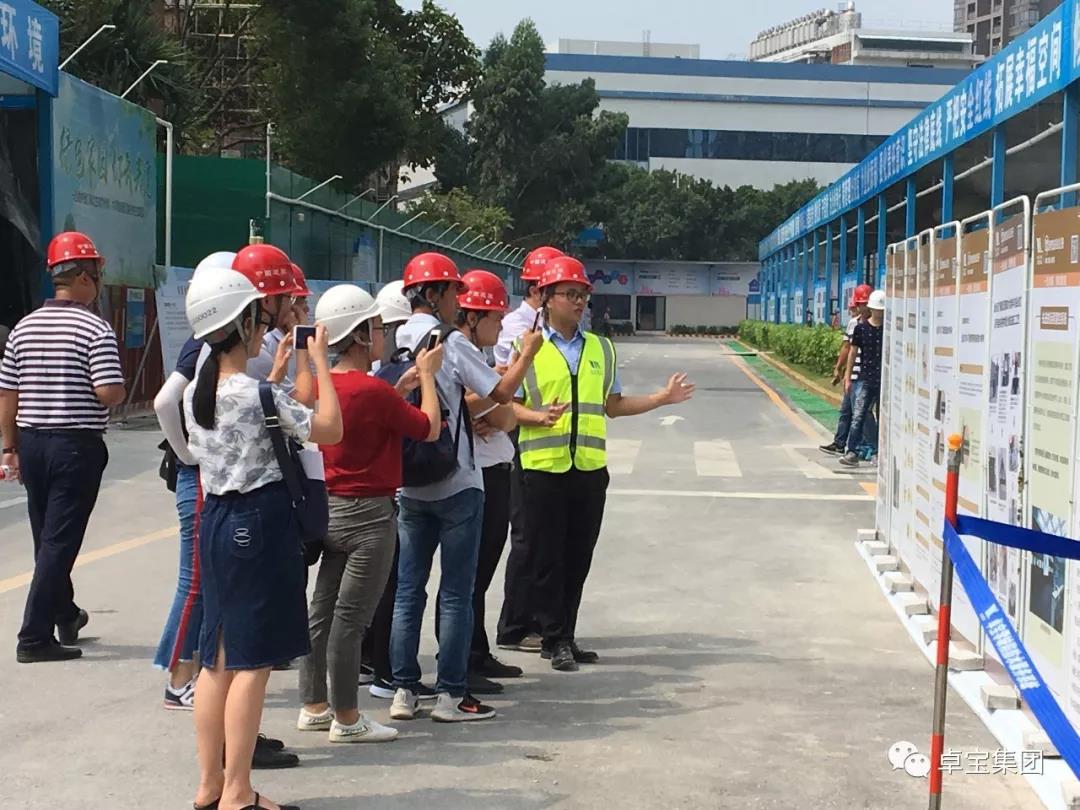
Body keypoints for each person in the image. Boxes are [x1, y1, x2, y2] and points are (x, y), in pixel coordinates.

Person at [183, 266, 342, 810]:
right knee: (252, 664)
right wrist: (319, 360)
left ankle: (210, 786)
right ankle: (238, 791)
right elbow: (330, 429)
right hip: (259, 522)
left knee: (216, 660)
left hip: (217, 521)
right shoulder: (254, 394)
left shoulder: (199, 394)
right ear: (245, 322)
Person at [515, 256, 694, 671]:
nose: (579, 302)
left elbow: (612, 405)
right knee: (548, 558)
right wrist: (538, 418)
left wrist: (660, 399)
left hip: (589, 469)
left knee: (579, 556)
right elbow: (508, 405)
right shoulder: (526, 346)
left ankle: (567, 635)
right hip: (542, 467)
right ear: (546, 298)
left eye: (583, 295)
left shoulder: (601, 348)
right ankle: (552, 637)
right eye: (570, 294)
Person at [389, 251, 542, 724]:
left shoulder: (397, 337)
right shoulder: (450, 341)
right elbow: (499, 395)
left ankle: (403, 690)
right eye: (454, 291)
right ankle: (452, 695)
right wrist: (526, 357)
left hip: (410, 483)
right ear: (434, 295)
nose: (460, 299)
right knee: (455, 592)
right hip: (457, 482)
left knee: (408, 591)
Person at [297, 284, 443, 744]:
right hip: (371, 516)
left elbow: (364, 404)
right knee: (352, 620)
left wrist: (398, 387)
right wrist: (430, 376)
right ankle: (347, 717)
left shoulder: (327, 386)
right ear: (361, 336)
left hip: (330, 510)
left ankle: (314, 705)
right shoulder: (373, 392)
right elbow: (429, 427)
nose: (383, 334)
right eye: (378, 327)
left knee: (321, 611)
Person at [1, 232, 125, 663]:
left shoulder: (25, 326)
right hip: (76, 446)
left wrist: (9, 448)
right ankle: (33, 637)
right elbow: (108, 391)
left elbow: (7, 395)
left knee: (46, 535)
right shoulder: (95, 327)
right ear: (88, 276)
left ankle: (65, 613)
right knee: (60, 542)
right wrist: (115, 391)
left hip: (32, 444)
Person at [439, 270, 530, 693]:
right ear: (471, 317)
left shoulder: (479, 358)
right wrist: (487, 402)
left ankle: (475, 649)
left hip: (494, 469)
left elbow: (506, 415)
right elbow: (497, 401)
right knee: (467, 578)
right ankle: (460, 659)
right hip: (477, 475)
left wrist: (489, 406)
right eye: (494, 317)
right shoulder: (461, 354)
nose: (501, 326)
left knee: (480, 574)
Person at [152, 250, 235, 710]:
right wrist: (191, 458)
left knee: (202, 578)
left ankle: (190, 668)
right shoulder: (204, 344)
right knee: (196, 580)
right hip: (197, 478)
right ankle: (179, 676)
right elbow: (166, 402)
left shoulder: (204, 340)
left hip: (197, 474)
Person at [363, 278, 439, 701]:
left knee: (381, 588)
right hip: (387, 496)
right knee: (395, 586)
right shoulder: (388, 382)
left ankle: (375, 667)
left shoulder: (378, 378)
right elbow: (425, 428)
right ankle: (388, 672)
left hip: (374, 495)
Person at [494, 245, 563, 654]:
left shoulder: (545, 327)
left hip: (544, 439)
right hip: (519, 434)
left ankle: (538, 617)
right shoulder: (515, 328)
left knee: (543, 535)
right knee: (525, 534)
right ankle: (516, 623)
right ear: (539, 289)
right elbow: (505, 386)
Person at [820, 284, 872, 456]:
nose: (862, 307)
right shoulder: (853, 324)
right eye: (860, 304)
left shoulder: (878, 324)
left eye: (865, 303)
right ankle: (840, 442)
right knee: (846, 411)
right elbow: (846, 348)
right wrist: (840, 371)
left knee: (862, 413)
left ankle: (867, 447)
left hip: (867, 376)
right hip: (854, 375)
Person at [839, 289, 885, 468]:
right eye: (877, 310)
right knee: (859, 415)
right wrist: (848, 377)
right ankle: (852, 452)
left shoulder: (889, 330)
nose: (880, 313)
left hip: (884, 380)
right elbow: (852, 352)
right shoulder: (860, 329)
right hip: (866, 378)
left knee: (883, 418)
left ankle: (878, 452)